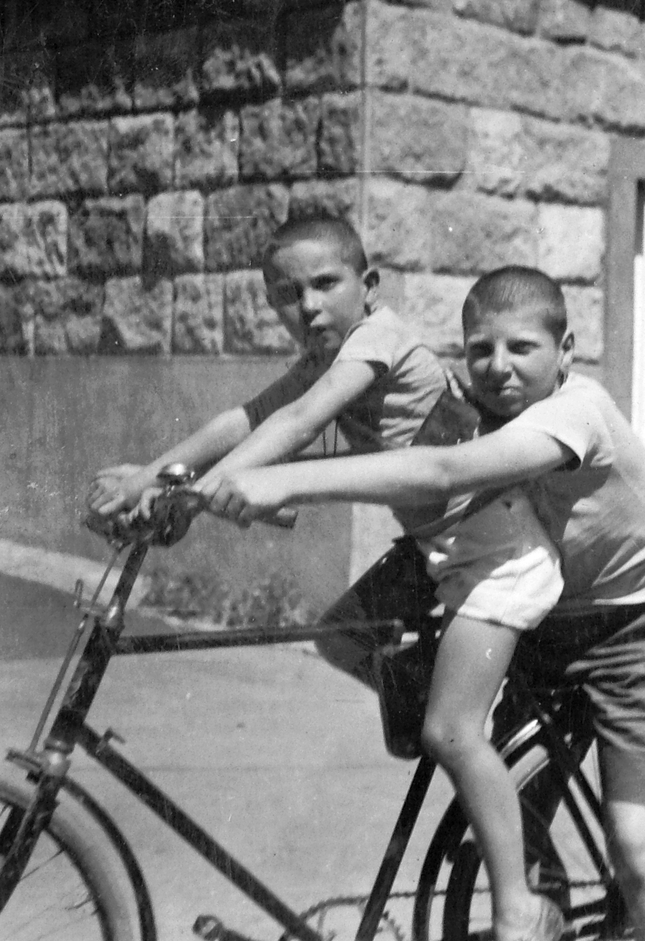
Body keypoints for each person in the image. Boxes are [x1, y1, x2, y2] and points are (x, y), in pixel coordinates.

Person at [202, 266, 645, 941]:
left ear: (566, 351)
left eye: (521, 349)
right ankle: (531, 894)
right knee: (413, 696)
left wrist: (279, 484)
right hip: (558, 612)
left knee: (641, 849)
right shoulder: (480, 410)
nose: (499, 368)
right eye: (481, 350)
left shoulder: (577, 411)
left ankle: (540, 906)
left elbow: (441, 471)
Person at [86, 220, 565, 941]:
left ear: (366, 289)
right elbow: (249, 415)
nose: (305, 306)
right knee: (342, 638)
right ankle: (470, 749)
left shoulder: (379, 337)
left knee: (451, 735)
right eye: (285, 294)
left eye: (323, 285)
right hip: (441, 549)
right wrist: (153, 474)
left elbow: (304, 421)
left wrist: (201, 496)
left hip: (498, 554)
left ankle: (518, 905)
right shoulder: (327, 353)